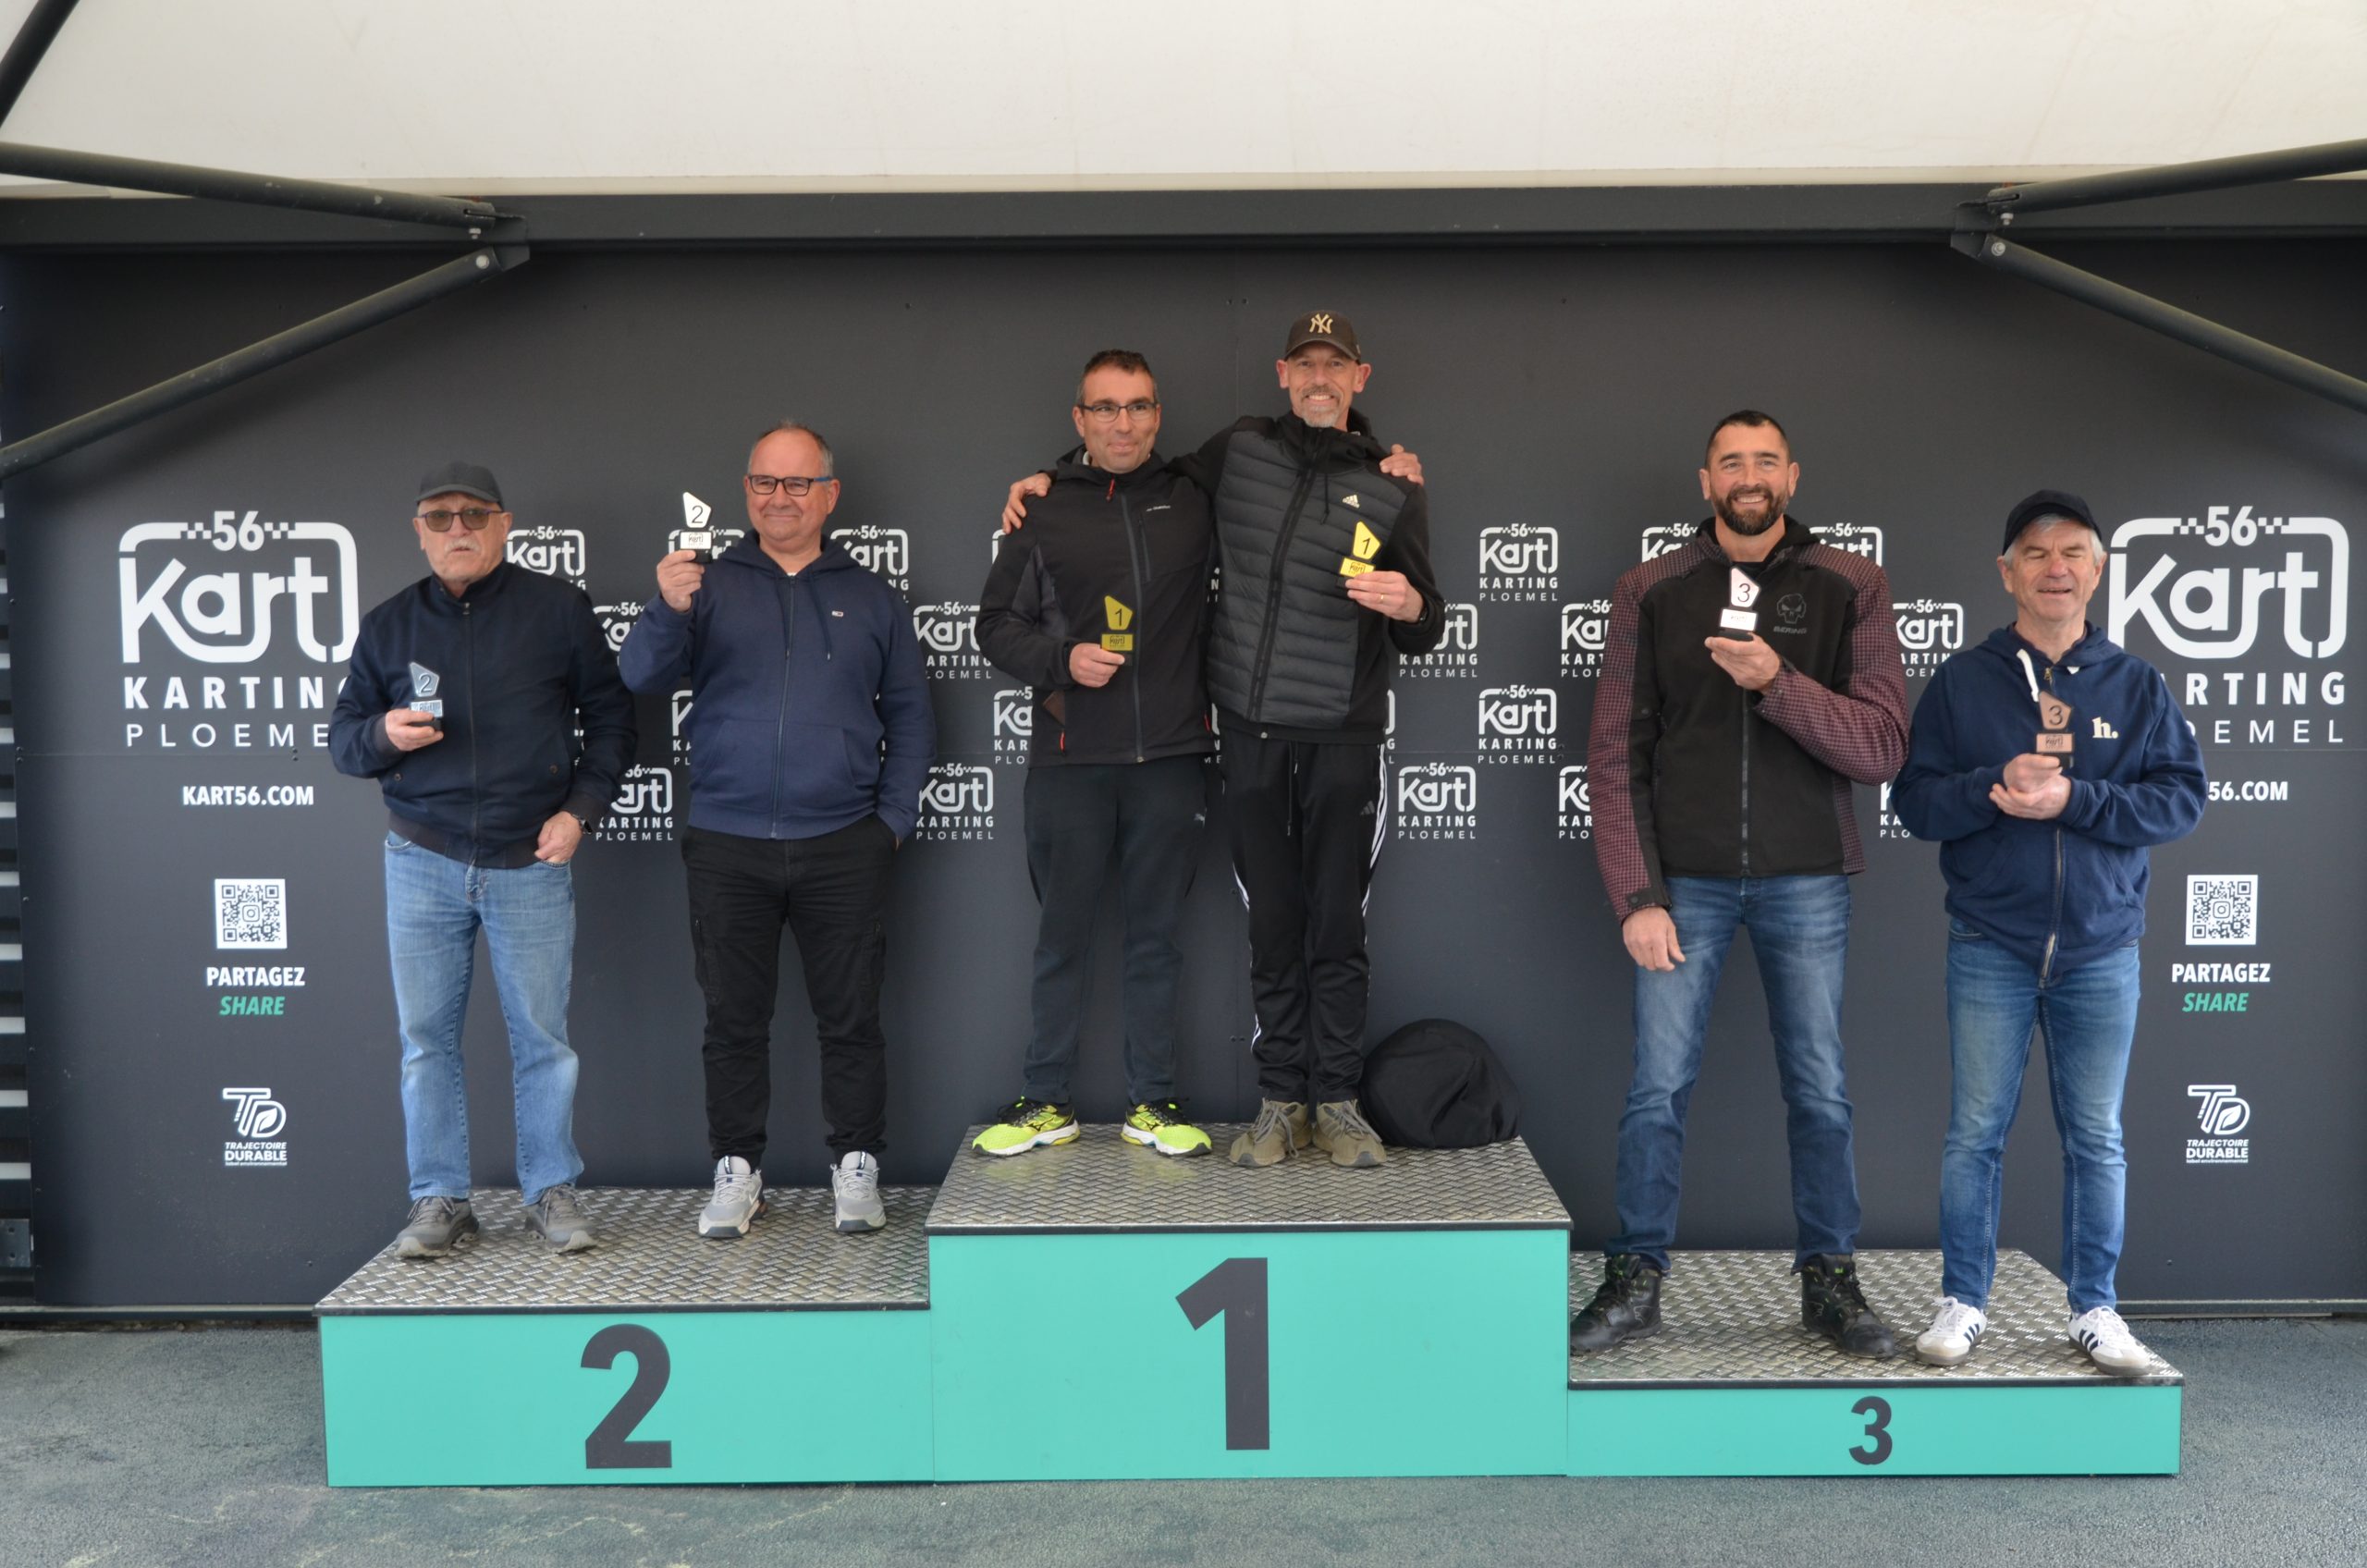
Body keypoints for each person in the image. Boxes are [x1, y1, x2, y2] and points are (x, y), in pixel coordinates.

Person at [1004, 312, 1441, 1169]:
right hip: (1246, 732)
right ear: (1282, 373)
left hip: (1346, 737)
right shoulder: (1238, 450)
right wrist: (1049, 478)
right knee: (1272, 923)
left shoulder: (1394, 484)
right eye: (1307, 364)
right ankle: (1281, 1100)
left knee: (1337, 925)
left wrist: (1411, 604)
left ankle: (1338, 1100)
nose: (1320, 379)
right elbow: (1132, 475)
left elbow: (1428, 624)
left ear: (1360, 378)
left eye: (1336, 366)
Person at [1576, 410, 1909, 1357]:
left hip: (1808, 880)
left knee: (1820, 1089)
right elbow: (1615, 754)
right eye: (1732, 462)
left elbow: (1881, 748)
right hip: (1684, 883)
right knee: (1656, 1088)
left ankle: (1830, 1279)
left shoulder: (1852, 582)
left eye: (1765, 461)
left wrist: (1775, 682)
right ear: (1706, 480)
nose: (1748, 476)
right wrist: (1638, 895)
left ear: (1792, 476)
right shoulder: (1650, 589)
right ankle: (1636, 1277)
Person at [1894, 489, 2205, 1375]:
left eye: (2072, 553)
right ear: (2007, 573)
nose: (2055, 568)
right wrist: (1989, 787)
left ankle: (2095, 1308)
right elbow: (1914, 801)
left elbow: (2181, 799)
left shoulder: (2137, 684)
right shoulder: (1964, 681)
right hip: (1990, 942)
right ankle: (1963, 1300)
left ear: (2097, 571)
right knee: (1975, 1134)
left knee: (2096, 1137)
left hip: (2101, 949)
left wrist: (2077, 798)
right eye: (2035, 553)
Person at [619, 422, 933, 1239]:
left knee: (852, 1019)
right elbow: (640, 675)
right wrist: (666, 607)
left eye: (798, 483)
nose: (780, 498)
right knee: (732, 1021)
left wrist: (889, 824)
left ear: (829, 495)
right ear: (746, 490)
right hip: (728, 841)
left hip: (844, 842)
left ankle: (856, 1165)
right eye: (765, 482)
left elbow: (911, 716)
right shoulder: (705, 583)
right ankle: (736, 1170)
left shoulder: (873, 598)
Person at [330, 461, 634, 1258]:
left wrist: (580, 811)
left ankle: (550, 1189)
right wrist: (382, 735)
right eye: (440, 517)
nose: (457, 529)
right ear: (419, 531)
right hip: (422, 855)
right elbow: (343, 741)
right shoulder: (388, 624)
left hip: (528, 855)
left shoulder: (558, 611)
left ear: (504, 524)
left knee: (543, 1039)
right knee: (425, 1041)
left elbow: (613, 723)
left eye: (473, 514)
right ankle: (439, 1197)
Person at [972, 350, 1218, 1158]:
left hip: (1172, 758)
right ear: (1079, 419)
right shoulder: (1043, 509)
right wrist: (1061, 660)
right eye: (1105, 408)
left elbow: (1292, 461)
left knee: (1157, 941)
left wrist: (1384, 458)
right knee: (1061, 939)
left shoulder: (1195, 495)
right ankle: (1046, 1101)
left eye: (1138, 406)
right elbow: (994, 626)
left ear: (1157, 415)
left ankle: (1155, 1103)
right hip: (1070, 759)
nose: (1124, 423)